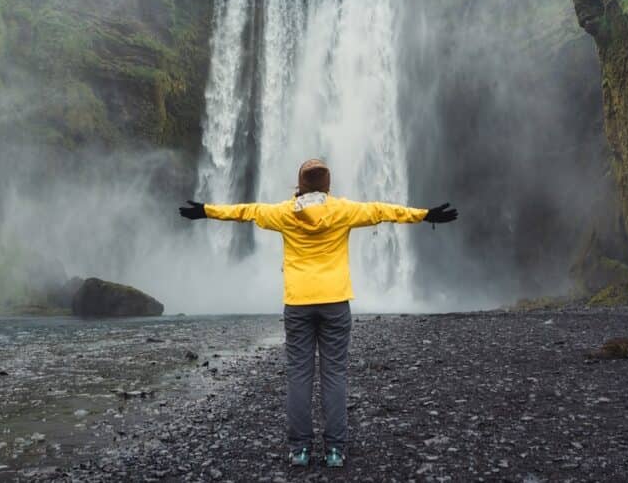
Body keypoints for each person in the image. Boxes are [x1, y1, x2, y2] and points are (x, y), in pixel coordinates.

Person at [178, 158, 458, 469]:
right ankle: (335, 451)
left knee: (299, 375)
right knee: (334, 374)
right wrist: (425, 215)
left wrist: (205, 210)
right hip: (335, 301)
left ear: (299, 185)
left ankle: (299, 450)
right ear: (327, 185)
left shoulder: (283, 212)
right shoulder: (343, 209)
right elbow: (383, 210)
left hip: (298, 302)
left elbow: (245, 211)